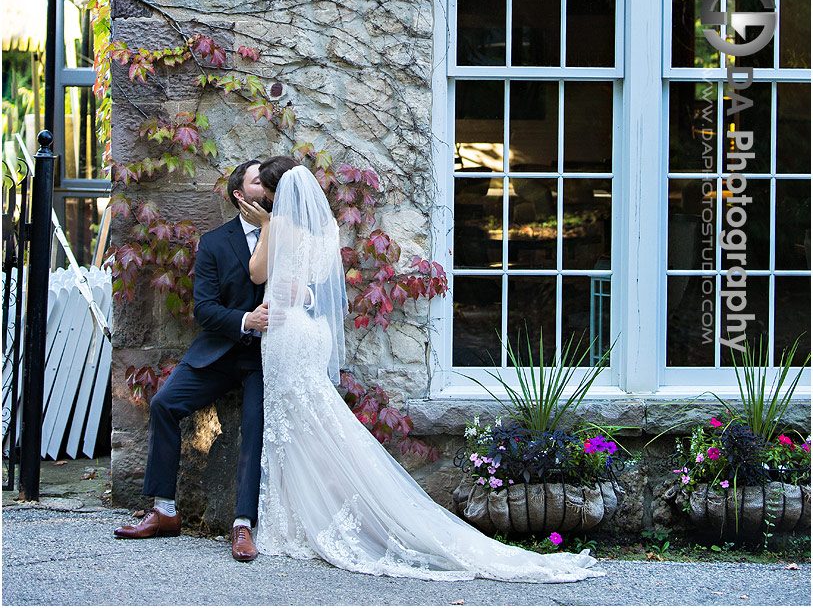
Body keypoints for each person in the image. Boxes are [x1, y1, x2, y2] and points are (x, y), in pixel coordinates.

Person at [242, 162, 601, 583]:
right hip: (314, 331)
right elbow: (324, 287)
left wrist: (266, 226)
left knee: (296, 424)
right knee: (308, 423)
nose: (261, 199)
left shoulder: (279, 221)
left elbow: (257, 273)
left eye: (264, 192)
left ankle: (301, 522)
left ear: (275, 191)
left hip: (288, 334)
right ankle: (310, 515)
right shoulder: (327, 228)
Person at [114, 156, 297, 562]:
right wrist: (246, 319)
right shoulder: (215, 242)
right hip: (222, 352)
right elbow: (205, 310)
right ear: (240, 194)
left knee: (255, 427)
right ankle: (163, 511)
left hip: (267, 360)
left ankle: (243, 526)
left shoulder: (291, 233)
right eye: (257, 181)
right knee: (164, 404)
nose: (267, 186)